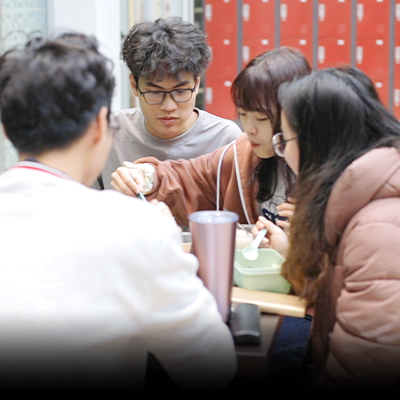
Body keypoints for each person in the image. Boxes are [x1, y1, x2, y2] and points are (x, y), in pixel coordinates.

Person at [0, 32, 236, 389]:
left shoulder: (224, 137)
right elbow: (212, 365)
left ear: (7, 129)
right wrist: (161, 239)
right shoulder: (138, 229)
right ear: (100, 124)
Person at [254, 67, 400, 389]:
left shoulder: (378, 231)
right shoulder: (360, 198)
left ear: (317, 143)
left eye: (284, 140)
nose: (282, 154)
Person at [110, 47, 311, 229]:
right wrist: (147, 176)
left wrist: (307, 237)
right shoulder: (242, 154)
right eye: (243, 114)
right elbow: (190, 176)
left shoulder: (325, 171)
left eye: (261, 118)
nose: (249, 129)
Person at [99, 17, 242, 189]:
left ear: (197, 83)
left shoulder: (225, 140)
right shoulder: (110, 134)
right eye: (155, 92)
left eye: (180, 91)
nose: (168, 106)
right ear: (134, 85)